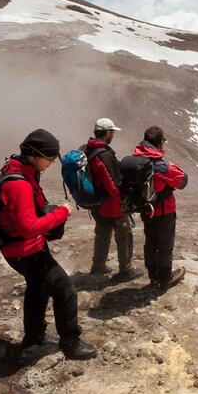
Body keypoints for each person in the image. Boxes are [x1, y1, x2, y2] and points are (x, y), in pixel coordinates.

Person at [0, 128, 97, 360]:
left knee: (38, 289)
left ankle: (34, 337)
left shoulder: (18, 168)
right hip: (26, 250)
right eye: (50, 158)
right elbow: (28, 226)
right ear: (35, 154)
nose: (52, 162)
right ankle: (71, 342)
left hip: (19, 248)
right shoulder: (19, 184)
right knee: (66, 291)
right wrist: (61, 213)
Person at [84, 118, 143, 281]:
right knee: (124, 234)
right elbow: (112, 184)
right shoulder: (104, 155)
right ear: (108, 133)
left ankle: (98, 266)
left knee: (102, 233)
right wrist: (124, 204)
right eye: (113, 132)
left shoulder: (88, 149)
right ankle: (125, 270)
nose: (114, 135)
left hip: (97, 203)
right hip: (111, 204)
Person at [132, 126, 189, 290]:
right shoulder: (161, 165)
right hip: (164, 212)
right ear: (159, 143)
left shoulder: (135, 159)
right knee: (165, 245)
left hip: (146, 211)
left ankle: (153, 276)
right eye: (163, 141)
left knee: (150, 243)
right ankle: (165, 278)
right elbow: (183, 181)